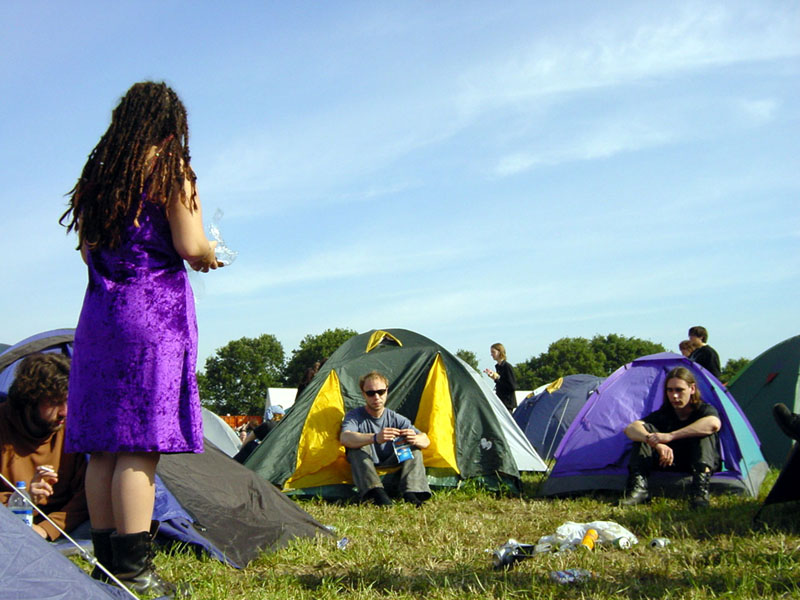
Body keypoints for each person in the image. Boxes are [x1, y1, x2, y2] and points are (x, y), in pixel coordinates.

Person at [60, 81, 222, 596]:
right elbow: (190, 243)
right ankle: (134, 574)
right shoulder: (169, 168)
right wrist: (209, 254)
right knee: (138, 447)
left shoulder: (99, 177)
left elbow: (88, 253)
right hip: (151, 317)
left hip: (100, 316)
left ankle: (106, 566)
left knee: (103, 448)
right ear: (171, 123)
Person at [0, 353, 89, 540]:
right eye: (55, 402)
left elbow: (87, 497)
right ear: (30, 399)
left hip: (64, 527)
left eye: (69, 401)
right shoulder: (4, 427)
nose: (64, 412)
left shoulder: (73, 429)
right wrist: (24, 499)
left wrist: (47, 529)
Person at [621, 367, 722, 508]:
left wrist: (670, 436)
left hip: (696, 463)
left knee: (705, 435)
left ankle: (699, 493)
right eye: (670, 390)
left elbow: (713, 424)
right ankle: (639, 490)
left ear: (692, 389)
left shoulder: (704, 410)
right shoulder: (664, 413)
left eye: (679, 390)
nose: (674, 396)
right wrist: (655, 442)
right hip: (667, 462)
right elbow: (630, 429)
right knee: (644, 434)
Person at [340, 371, 432, 506]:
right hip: (367, 467)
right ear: (363, 394)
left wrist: (414, 439)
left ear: (387, 392)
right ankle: (375, 493)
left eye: (381, 392)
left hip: (393, 466)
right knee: (356, 449)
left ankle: (412, 493)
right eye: (371, 393)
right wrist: (375, 438)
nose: (376, 397)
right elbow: (345, 437)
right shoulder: (355, 416)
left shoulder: (395, 418)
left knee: (414, 449)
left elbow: (426, 440)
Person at [484, 343, 517, 412]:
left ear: (500, 352)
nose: (491, 354)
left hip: (507, 403)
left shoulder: (507, 367)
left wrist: (496, 379)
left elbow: (512, 386)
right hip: (500, 401)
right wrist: (493, 377)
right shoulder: (498, 367)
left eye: (493, 352)